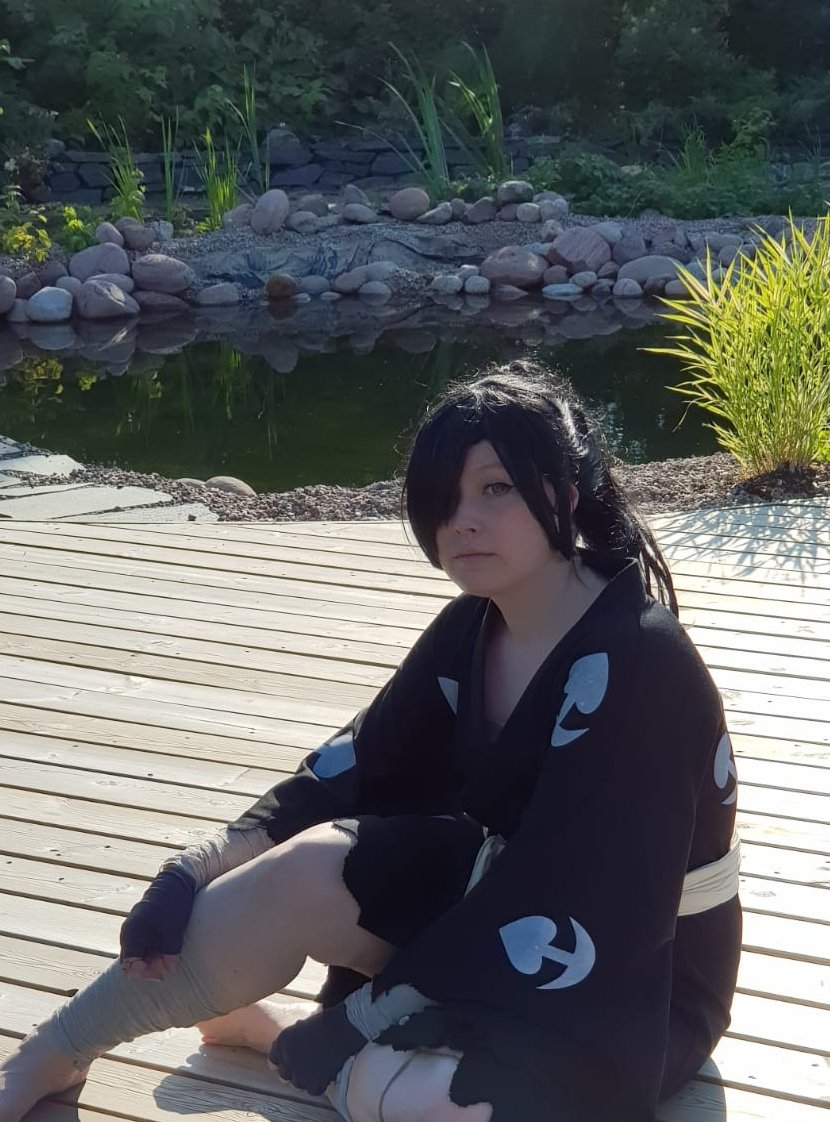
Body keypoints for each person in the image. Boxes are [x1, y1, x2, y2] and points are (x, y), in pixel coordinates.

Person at [0, 363, 741, 1122]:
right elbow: (354, 765)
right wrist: (190, 872)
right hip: (490, 909)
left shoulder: (639, 660)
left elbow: (562, 887)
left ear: (566, 491)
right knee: (296, 870)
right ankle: (55, 1051)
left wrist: (358, 1019)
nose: (463, 521)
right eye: (444, 497)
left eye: (496, 488)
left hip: (631, 966)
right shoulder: (473, 627)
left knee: (441, 1107)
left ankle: (293, 1042)